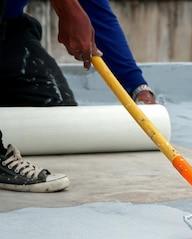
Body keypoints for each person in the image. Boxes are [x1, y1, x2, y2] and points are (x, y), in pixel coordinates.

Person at [0, 0, 156, 192]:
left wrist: (137, 87)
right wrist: (67, 9)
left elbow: (95, 13)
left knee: (58, 114)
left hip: (9, 29)